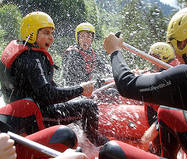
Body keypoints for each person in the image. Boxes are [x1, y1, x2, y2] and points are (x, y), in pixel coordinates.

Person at [102, 6, 187, 159]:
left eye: (175, 44)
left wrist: (114, 52)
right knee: (165, 111)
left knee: (109, 150)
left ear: (183, 41)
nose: (175, 51)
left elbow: (127, 85)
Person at [0, 11, 108, 146]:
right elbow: (48, 95)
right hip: (35, 116)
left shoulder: (24, 53)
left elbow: (47, 88)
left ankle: (79, 135)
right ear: (32, 33)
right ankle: (93, 141)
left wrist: (76, 91)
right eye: (46, 33)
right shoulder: (32, 59)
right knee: (89, 106)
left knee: (76, 99)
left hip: (22, 114)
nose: (51, 38)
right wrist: (80, 89)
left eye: (52, 33)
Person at [141, 42, 187, 159]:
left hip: (170, 123)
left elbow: (175, 105)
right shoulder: (167, 70)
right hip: (165, 121)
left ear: (163, 58)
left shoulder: (170, 74)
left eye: (155, 58)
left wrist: (155, 127)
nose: (152, 62)